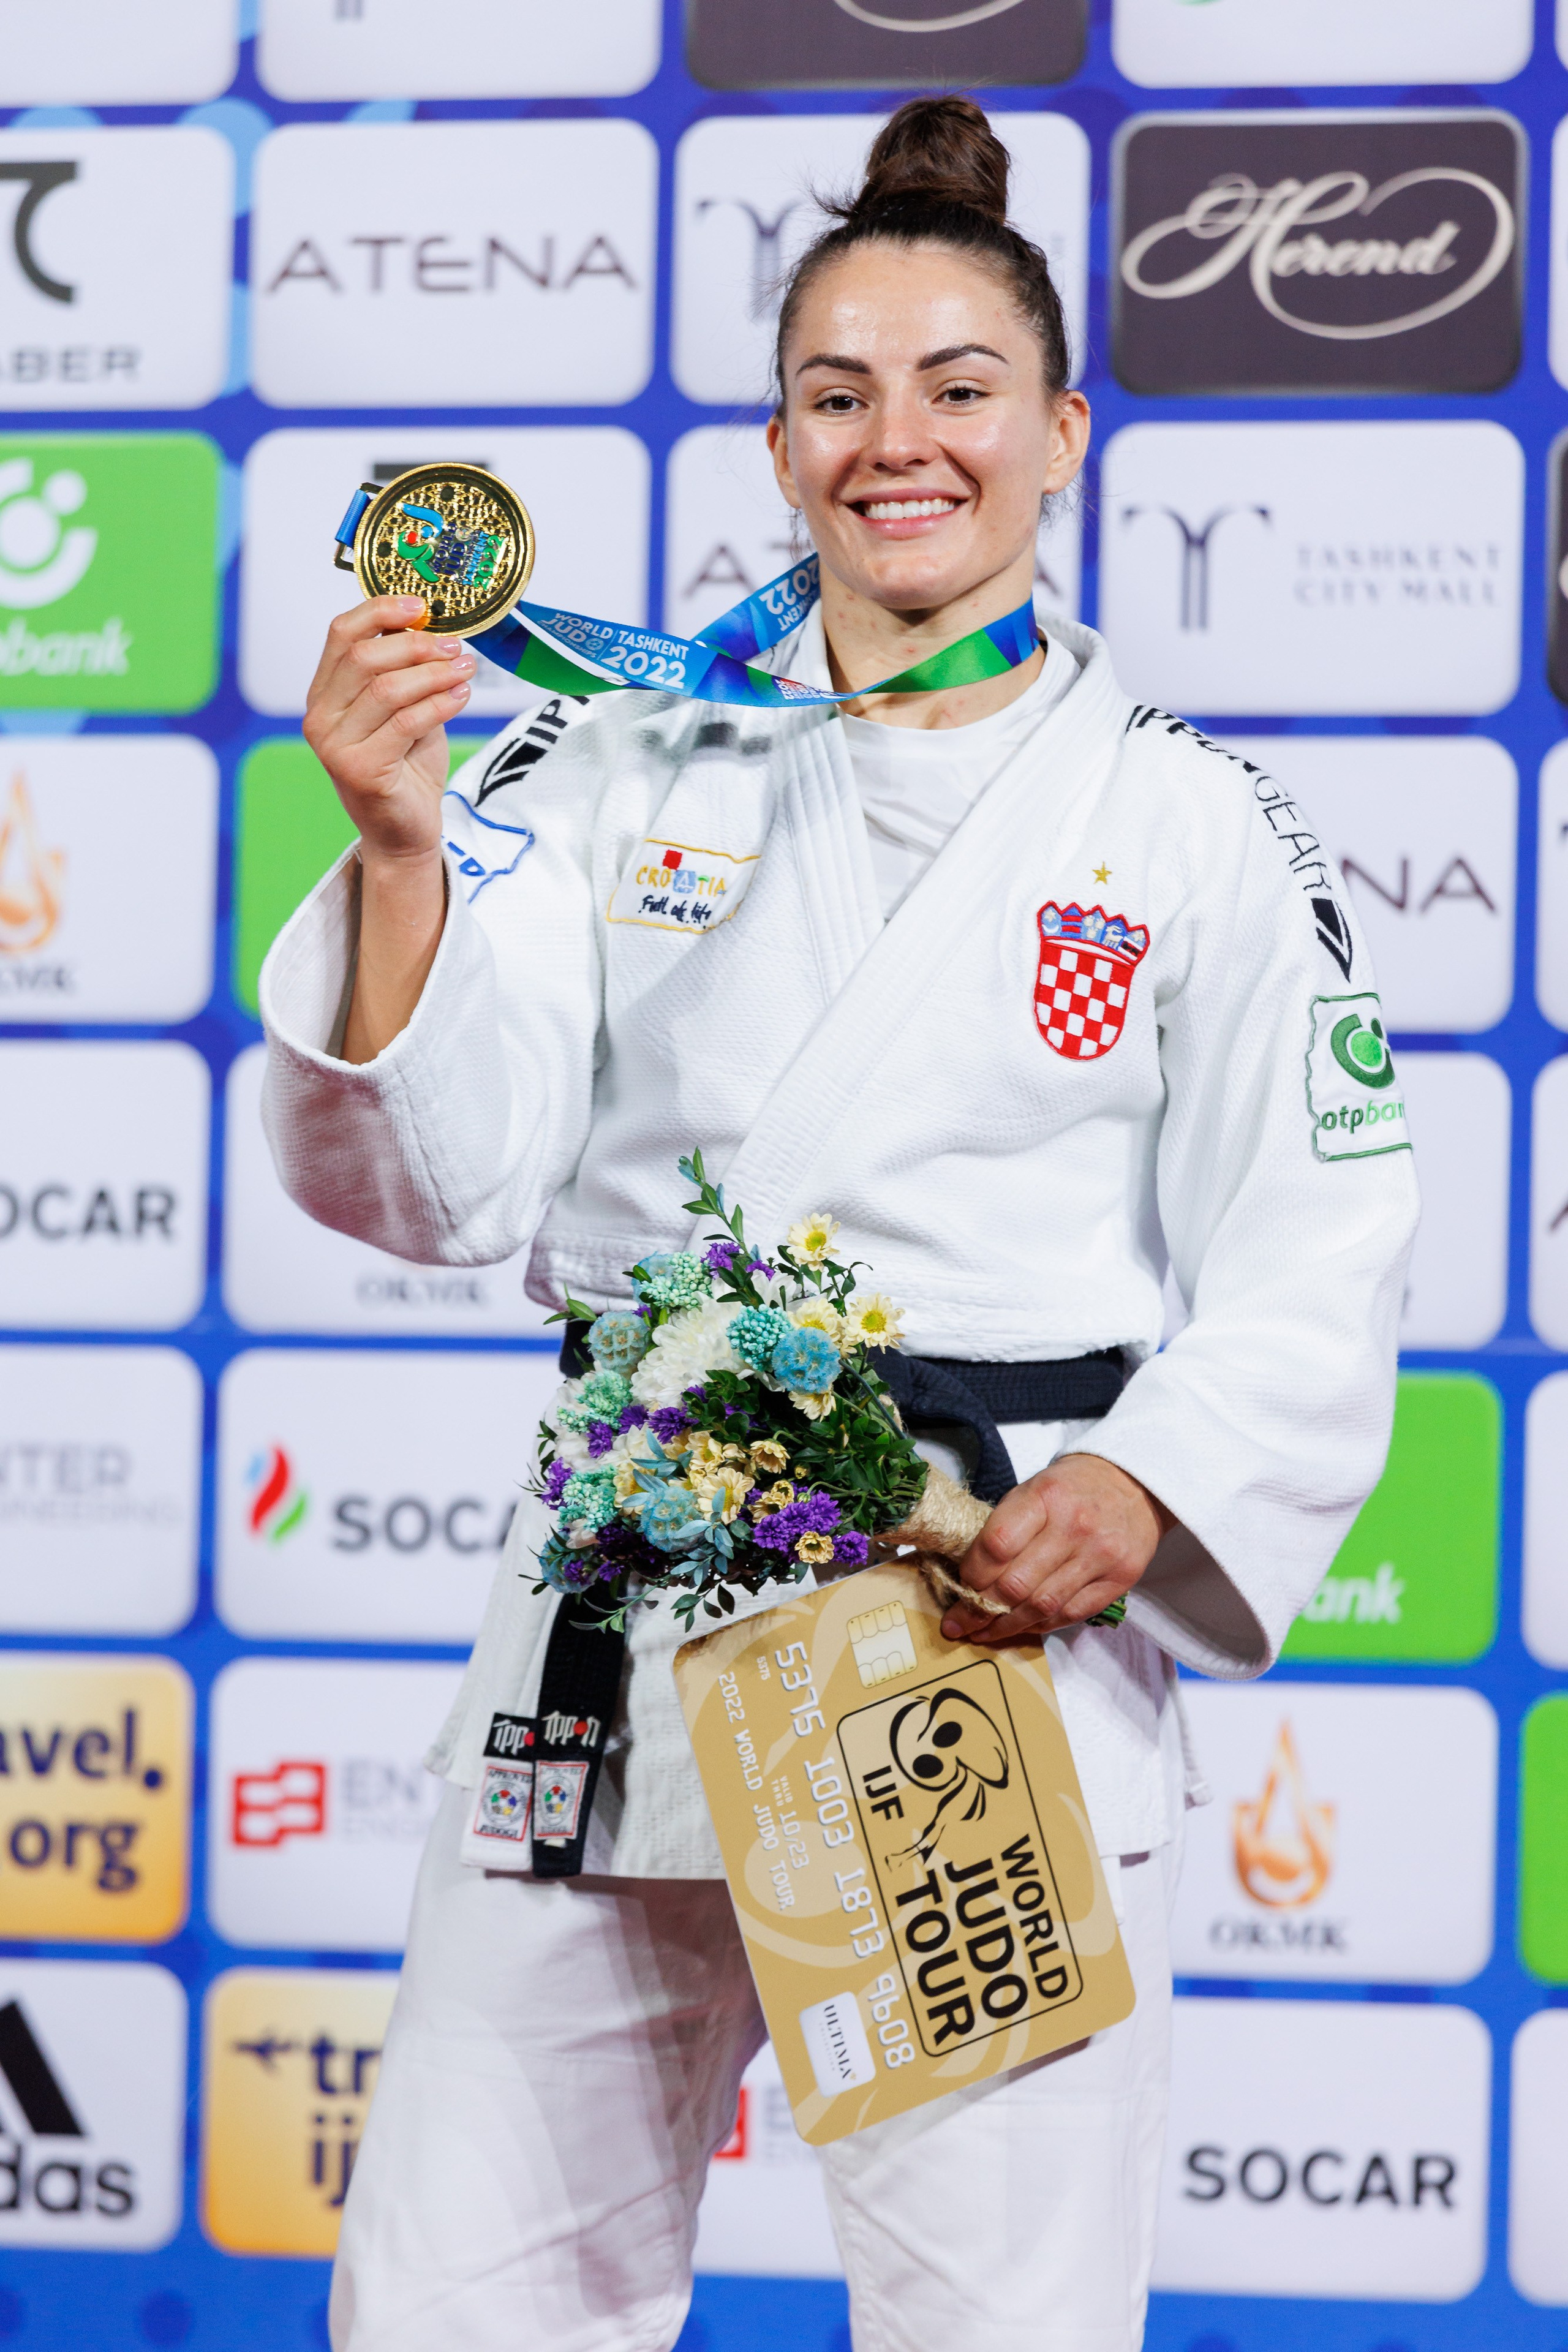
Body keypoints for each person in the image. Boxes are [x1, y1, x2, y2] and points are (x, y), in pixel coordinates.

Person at [260, 96, 1418, 2352]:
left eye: (962, 389)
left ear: (1064, 431)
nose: (903, 442)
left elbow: (1325, 1218)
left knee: (994, 2312)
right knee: (458, 2303)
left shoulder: (1186, 820)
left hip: (962, 1609)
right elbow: (444, 1170)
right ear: (782, 449)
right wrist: (400, 841)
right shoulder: (610, 763)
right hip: (619, 1602)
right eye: (839, 393)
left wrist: (1150, 1475)